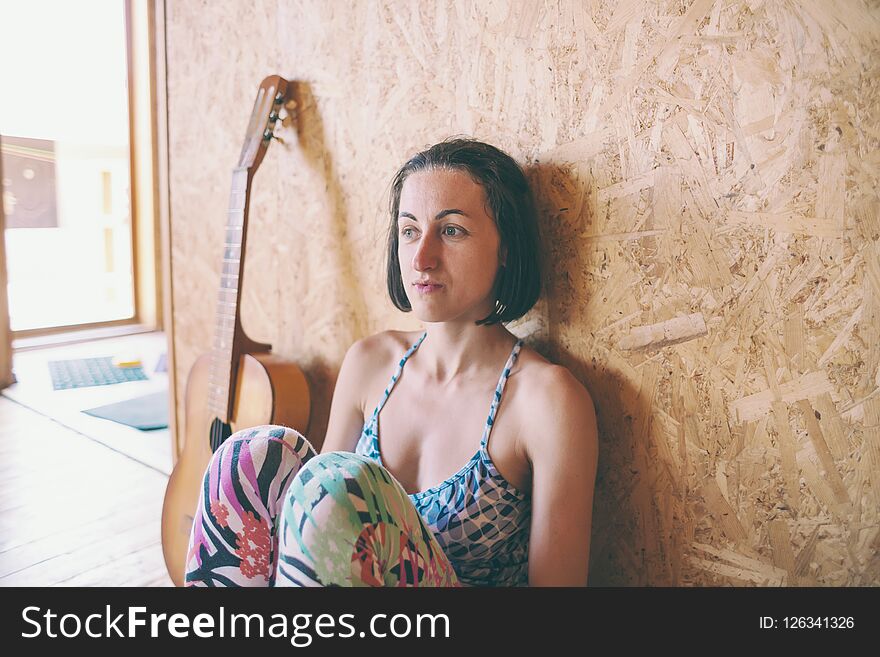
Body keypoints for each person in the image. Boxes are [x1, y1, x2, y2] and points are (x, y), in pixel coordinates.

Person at [184, 137, 599, 587]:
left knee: (341, 487)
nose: (421, 258)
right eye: (409, 230)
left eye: (452, 230)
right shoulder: (370, 363)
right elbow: (312, 534)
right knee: (247, 455)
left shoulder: (546, 399)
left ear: (505, 248)